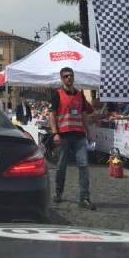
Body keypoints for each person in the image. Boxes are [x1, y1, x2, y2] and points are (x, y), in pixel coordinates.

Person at [48, 66, 96, 210]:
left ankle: (85, 197)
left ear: (74, 77)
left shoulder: (80, 95)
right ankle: (58, 193)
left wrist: (89, 133)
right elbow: (52, 114)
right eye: (66, 76)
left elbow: (83, 115)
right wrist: (55, 133)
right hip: (63, 136)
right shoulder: (57, 94)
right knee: (61, 167)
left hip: (79, 135)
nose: (69, 78)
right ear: (61, 78)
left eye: (71, 75)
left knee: (84, 166)